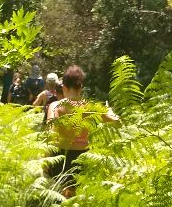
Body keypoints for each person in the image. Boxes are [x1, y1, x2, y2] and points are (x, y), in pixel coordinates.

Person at [46, 64, 118, 197]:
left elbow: (50, 134)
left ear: (64, 87)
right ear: (81, 88)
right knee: (76, 197)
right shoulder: (91, 107)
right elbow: (117, 122)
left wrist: (45, 161)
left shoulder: (55, 106)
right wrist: (109, 110)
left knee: (60, 197)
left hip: (60, 158)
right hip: (83, 158)